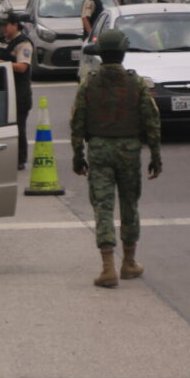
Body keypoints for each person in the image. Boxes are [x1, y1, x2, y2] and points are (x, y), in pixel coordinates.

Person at [70, 29, 161, 288]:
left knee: (104, 207)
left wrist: (78, 157)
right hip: (130, 150)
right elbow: (152, 122)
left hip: (98, 150)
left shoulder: (89, 82)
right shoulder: (136, 83)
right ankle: (129, 263)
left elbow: (77, 123)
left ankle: (107, 267)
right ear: (123, 53)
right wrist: (156, 156)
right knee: (130, 206)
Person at [0, 11, 33, 171]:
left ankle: (19, 159)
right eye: (1, 26)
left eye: (6, 25)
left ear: (15, 25)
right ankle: (2, 156)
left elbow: (22, 67)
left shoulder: (23, 43)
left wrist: (3, 62)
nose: (3, 29)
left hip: (18, 91)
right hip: (0, 90)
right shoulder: (0, 42)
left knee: (17, 126)